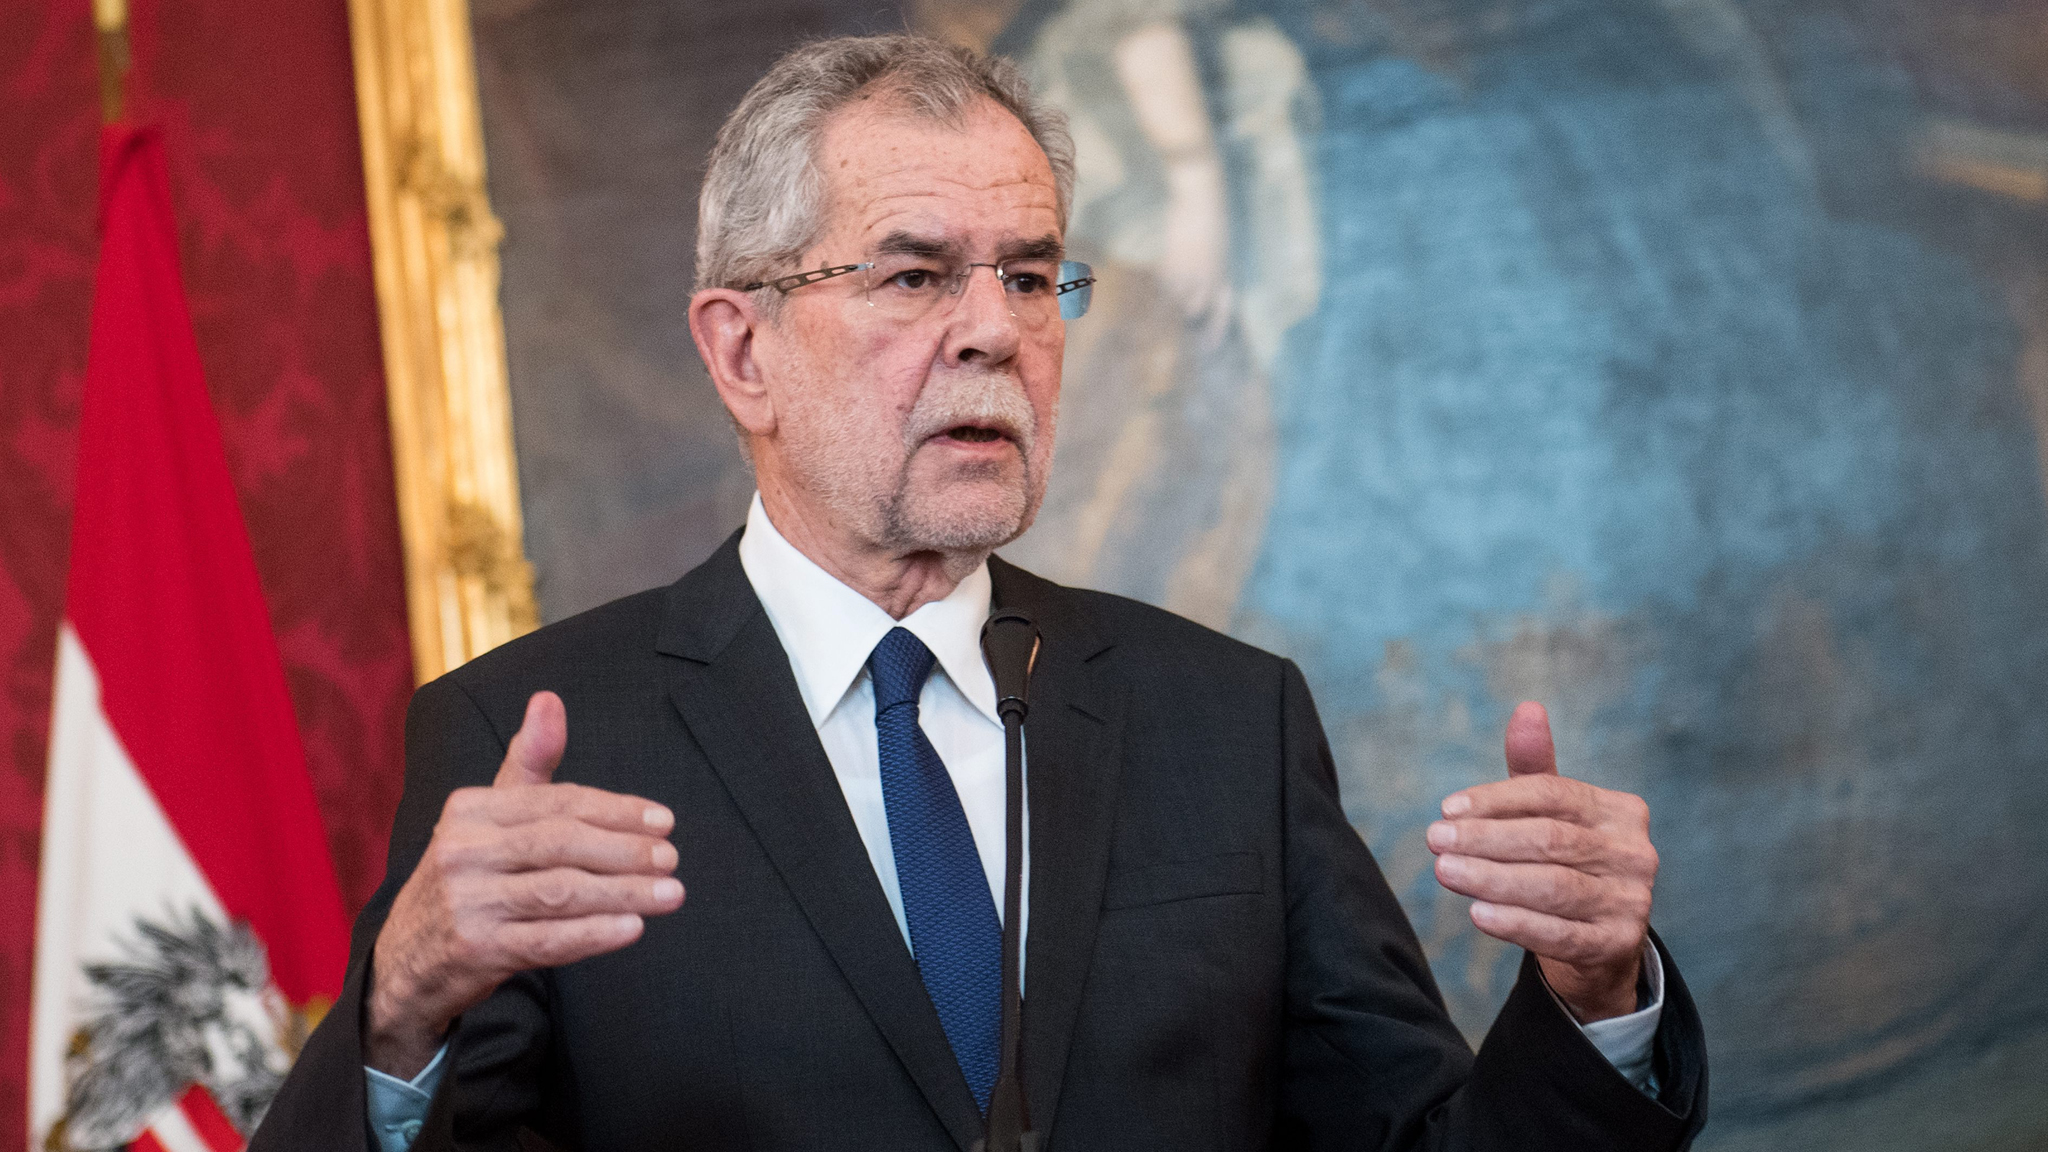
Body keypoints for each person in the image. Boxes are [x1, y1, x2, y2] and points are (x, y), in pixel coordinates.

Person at [253, 34, 1704, 1152]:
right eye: (913, 277)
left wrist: (1596, 1001)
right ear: (743, 352)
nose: (994, 333)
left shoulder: (1226, 723)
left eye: (1028, 275)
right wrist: (400, 1012)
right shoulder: (535, 735)